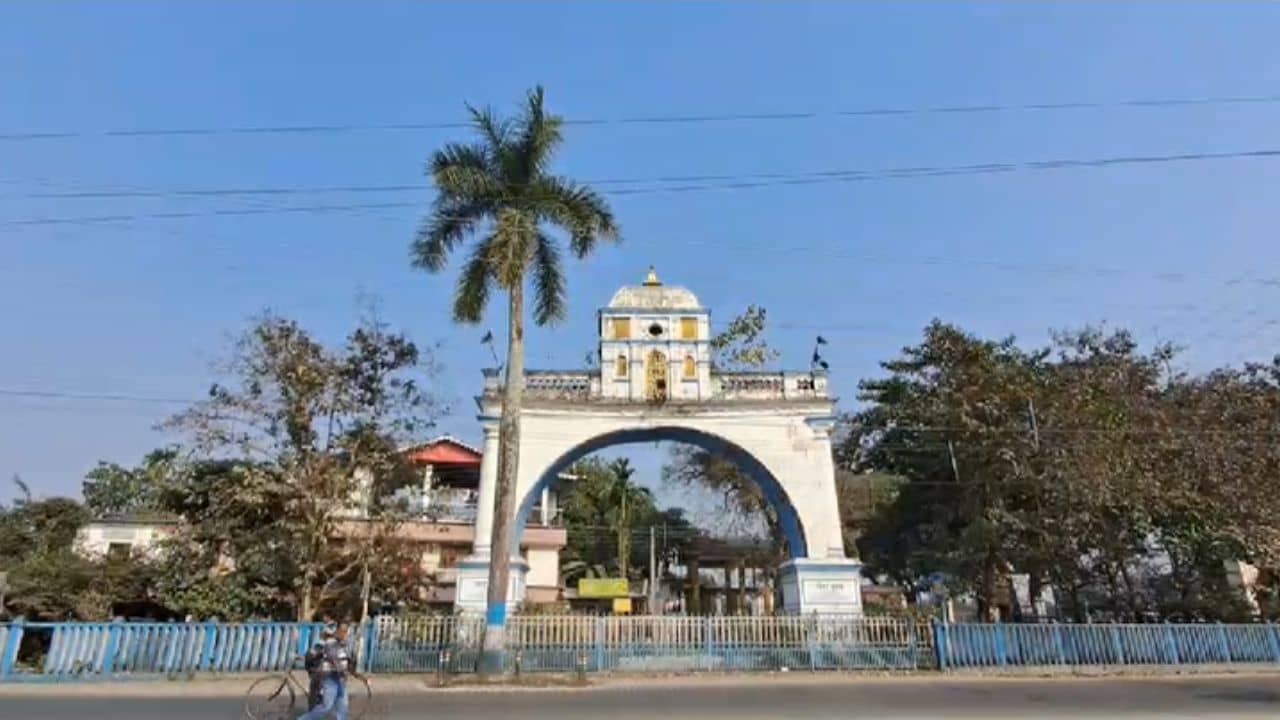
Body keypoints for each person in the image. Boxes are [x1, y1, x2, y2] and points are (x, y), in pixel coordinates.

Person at [300, 623, 353, 720]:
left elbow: (347, 659)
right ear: (337, 632)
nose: (346, 634)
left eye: (347, 632)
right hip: (329, 677)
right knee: (325, 706)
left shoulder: (343, 644)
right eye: (344, 632)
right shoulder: (329, 643)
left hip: (339, 679)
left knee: (343, 707)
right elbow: (332, 658)